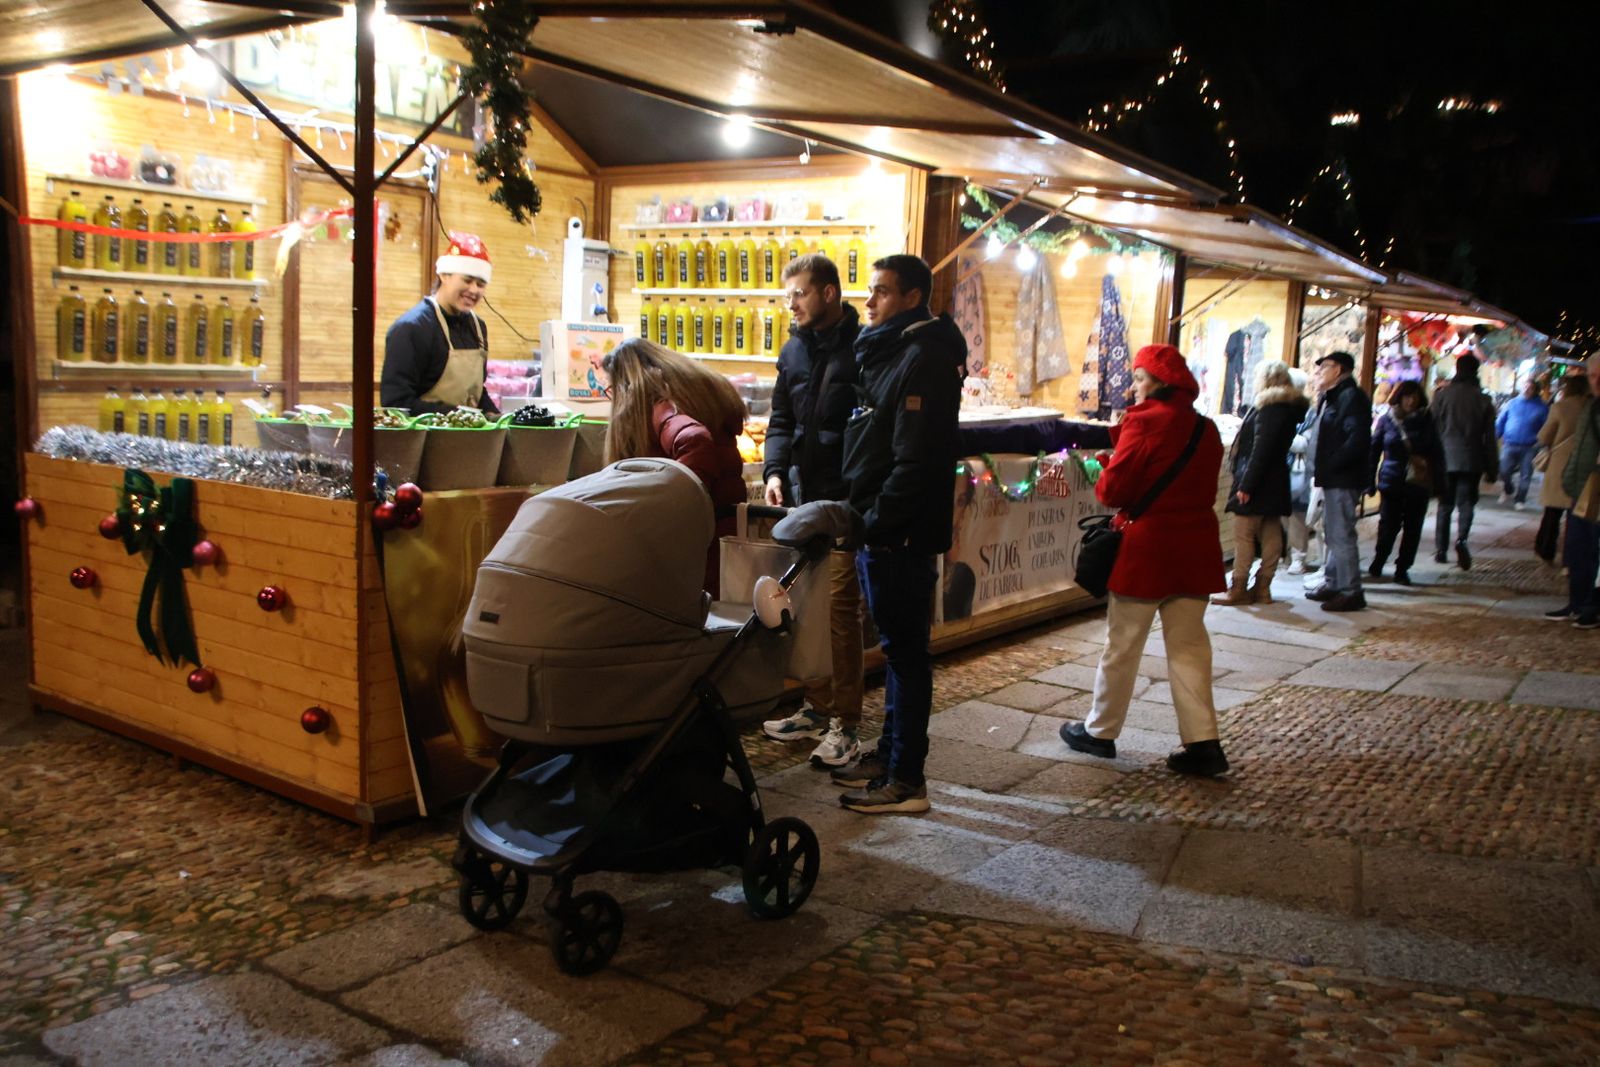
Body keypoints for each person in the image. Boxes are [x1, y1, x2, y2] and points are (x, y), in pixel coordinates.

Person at [830, 254, 966, 815]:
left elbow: (915, 460)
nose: (869, 302)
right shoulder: (894, 351)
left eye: (881, 292)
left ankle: (907, 779)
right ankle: (889, 758)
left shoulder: (923, 359)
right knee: (895, 651)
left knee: (907, 655)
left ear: (912, 297)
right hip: (881, 528)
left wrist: (879, 523)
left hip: (898, 534)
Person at [1059, 343, 1229, 777]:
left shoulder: (1145, 422)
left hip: (1149, 547)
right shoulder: (1206, 428)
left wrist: (1105, 467)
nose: (1133, 388)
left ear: (1159, 383)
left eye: (1139, 378)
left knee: (1123, 644)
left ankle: (1100, 731)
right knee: (1190, 647)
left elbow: (1115, 492)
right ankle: (1203, 742)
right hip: (1194, 547)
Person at [758, 254, 867, 768]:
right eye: (788, 295)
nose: (792, 303)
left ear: (828, 293)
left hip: (844, 504)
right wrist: (775, 472)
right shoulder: (793, 351)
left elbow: (869, 430)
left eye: (800, 293)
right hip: (802, 497)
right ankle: (817, 707)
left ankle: (847, 724)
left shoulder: (864, 350)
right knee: (804, 607)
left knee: (841, 613)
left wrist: (857, 493)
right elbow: (780, 420)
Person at [600, 338, 746, 597]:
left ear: (627, 384)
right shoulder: (692, 398)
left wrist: (670, 511)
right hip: (718, 540)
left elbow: (695, 442)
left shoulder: (662, 407)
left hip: (696, 546)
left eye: (612, 389)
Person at [1214, 360, 1308, 606]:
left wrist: (1246, 486)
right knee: (1270, 531)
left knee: (1243, 533)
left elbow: (1260, 450)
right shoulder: (1288, 407)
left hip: (1258, 480)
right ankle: (1263, 588)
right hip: (1276, 479)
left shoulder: (1269, 407)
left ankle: (1239, 587)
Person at [381, 231, 501, 416]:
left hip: (470, 441)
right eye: (467, 280)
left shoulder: (478, 328)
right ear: (444, 275)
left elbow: (475, 393)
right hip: (424, 441)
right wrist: (457, 416)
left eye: (481, 284)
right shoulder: (411, 328)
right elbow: (396, 403)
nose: (473, 290)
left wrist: (496, 416)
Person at [1306, 352, 1372, 612]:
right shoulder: (1332, 397)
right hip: (1332, 476)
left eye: (1326, 366)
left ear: (1340, 370)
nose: (1320, 370)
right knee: (1333, 531)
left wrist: (1332, 464)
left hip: (1343, 478)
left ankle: (1351, 590)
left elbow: (1356, 439)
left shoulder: (1350, 397)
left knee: (1341, 533)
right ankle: (1334, 582)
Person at [1367, 380, 1445, 586]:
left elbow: (1437, 453)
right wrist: (1369, 479)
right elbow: (1374, 451)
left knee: (1413, 528)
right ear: (1399, 397)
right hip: (1392, 481)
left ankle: (1403, 568)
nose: (1411, 401)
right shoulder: (1387, 420)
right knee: (1388, 526)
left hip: (1418, 482)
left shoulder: (1427, 421)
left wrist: (1439, 483)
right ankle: (1380, 559)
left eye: (1415, 397)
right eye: (1407, 396)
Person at [1545, 353, 1600, 630]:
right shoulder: (1590, 406)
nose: (1597, 380)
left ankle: (1591, 605)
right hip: (1581, 487)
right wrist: (1569, 480)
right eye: (1592, 375)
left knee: (1593, 550)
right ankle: (1577, 603)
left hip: (1596, 489)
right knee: (1577, 549)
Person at [1431, 353, 1499, 570]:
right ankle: (1462, 539)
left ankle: (1441, 549)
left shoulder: (1442, 396)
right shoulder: (1483, 399)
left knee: (1445, 504)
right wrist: (1492, 467)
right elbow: (1489, 437)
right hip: (1472, 458)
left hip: (1444, 457)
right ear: (1476, 371)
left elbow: (1431, 426)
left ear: (1457, 369)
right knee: (1466, 503)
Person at [1534, 374, 1592, 564]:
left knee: (1552, 512)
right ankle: (1570, 557)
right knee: (1576, 515)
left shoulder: (1560, 407)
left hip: (1559, 465)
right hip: (1584, 465)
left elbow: (1544, 437)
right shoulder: (1591, 408)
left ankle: (1545, 549)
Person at [1285, 368, 1322, 576]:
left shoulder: (1309, 413)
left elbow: (1304, 443)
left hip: (1299, 470)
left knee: (1298, 515)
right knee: (1287, 516)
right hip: (1283, 469)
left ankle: (1299, 556)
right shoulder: (1282, 409)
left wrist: (1281, 435)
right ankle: (1290, 554)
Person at [1496, 378, 1550, 509]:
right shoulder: (1512, 403)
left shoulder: (1542, 407)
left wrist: (1542, 442)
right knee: (1504, 470)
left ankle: (1520, 499)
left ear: (1535, 390)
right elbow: (1501, 421)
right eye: (1525, 386)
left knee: (1526, 474)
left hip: (1530, 446)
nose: (1526, 389)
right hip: (1510, 443)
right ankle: (1508, 489)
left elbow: (1546, 426)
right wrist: (1496, 435)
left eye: (1530, 387)